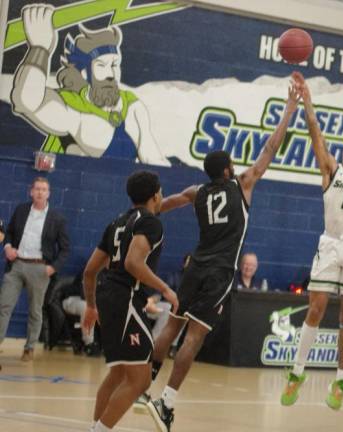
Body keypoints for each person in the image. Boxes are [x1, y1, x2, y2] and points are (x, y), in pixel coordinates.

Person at [143, 80, 301, 432]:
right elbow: (271, 148)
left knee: (172, 325)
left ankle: (143, 387)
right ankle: (166, 403)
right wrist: (289, 110)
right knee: (194, 336)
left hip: (195, 265)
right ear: (228, 170)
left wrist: (142, 213)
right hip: (218, 273)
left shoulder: (196, 192)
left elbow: (161, 207)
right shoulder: (242, 184)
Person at [280, 73, 343, 411]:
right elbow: (315, 133)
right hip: (330, 244)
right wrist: (307, 98)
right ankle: (297, 371)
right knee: (316, 307)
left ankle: (340, 378)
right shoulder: (330, 172)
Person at [81, 170, 178, 432]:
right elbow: (133, 263)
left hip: (107, 294)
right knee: (140, 380)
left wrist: (90, 305)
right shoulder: (150, 223)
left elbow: (90, 271)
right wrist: (166, 289)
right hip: (125, 298)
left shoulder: (117, 222)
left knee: (119, 373)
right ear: (155, 194)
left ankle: (96, 427)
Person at [11, 4, 168, 165]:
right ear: (84, 73)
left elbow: (152, 157)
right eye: (101, 65)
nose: (111, 74)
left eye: (114, 65)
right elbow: (27, 100)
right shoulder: (73, 108)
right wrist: (39, 49)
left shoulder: (132, 106)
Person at [0, 176, 70, 361]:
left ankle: (29, 347)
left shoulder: (57, 218)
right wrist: (7, 247)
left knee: (35, 310)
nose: (40, 192)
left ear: (48, 194)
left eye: (43, 189)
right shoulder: (21, 210)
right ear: (31, 191)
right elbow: (9, 233)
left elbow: (65, 249)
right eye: (37, 188)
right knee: (4, 305)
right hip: (16, 265)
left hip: (39, 268)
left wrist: (53, 268)